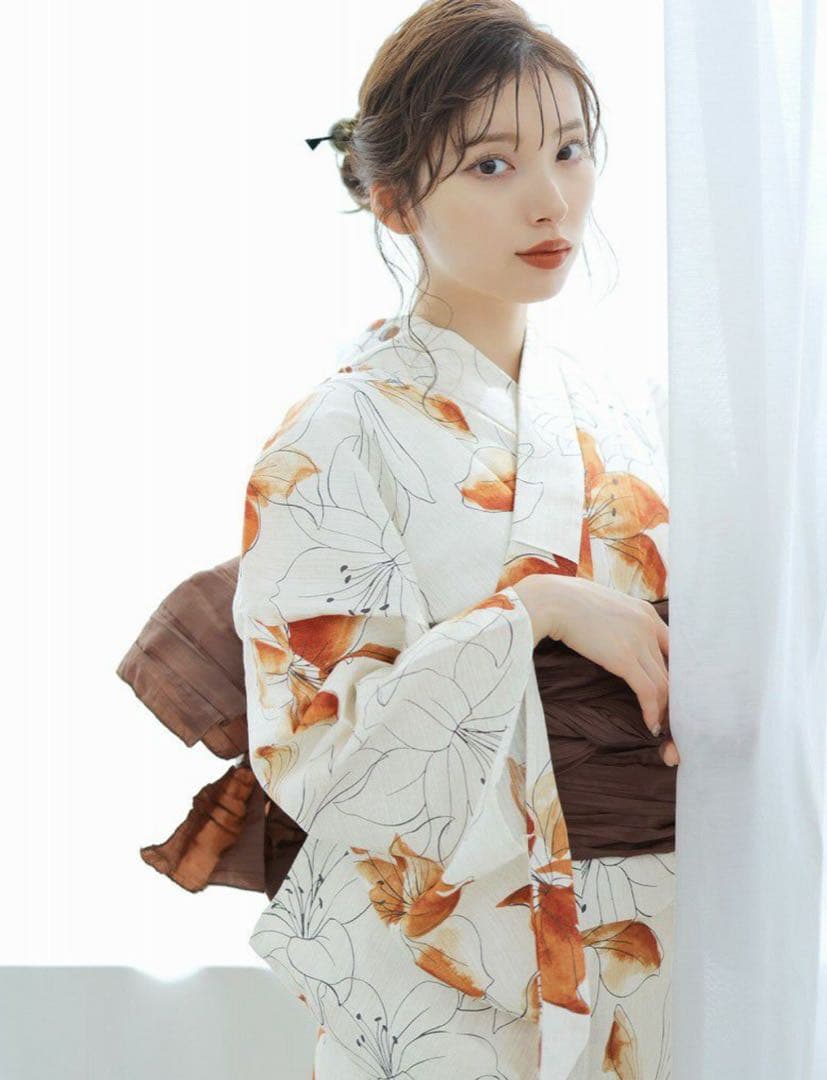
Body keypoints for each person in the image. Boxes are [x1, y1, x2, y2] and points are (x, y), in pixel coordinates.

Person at [234, 1, 678, 1076]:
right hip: (450, 975)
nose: (550, 199)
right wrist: (535, 611)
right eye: (490, 165)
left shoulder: (629, 413)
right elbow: (322, 758)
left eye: (569, 150)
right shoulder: (333, 434)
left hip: (656, 933)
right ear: (394, 202)